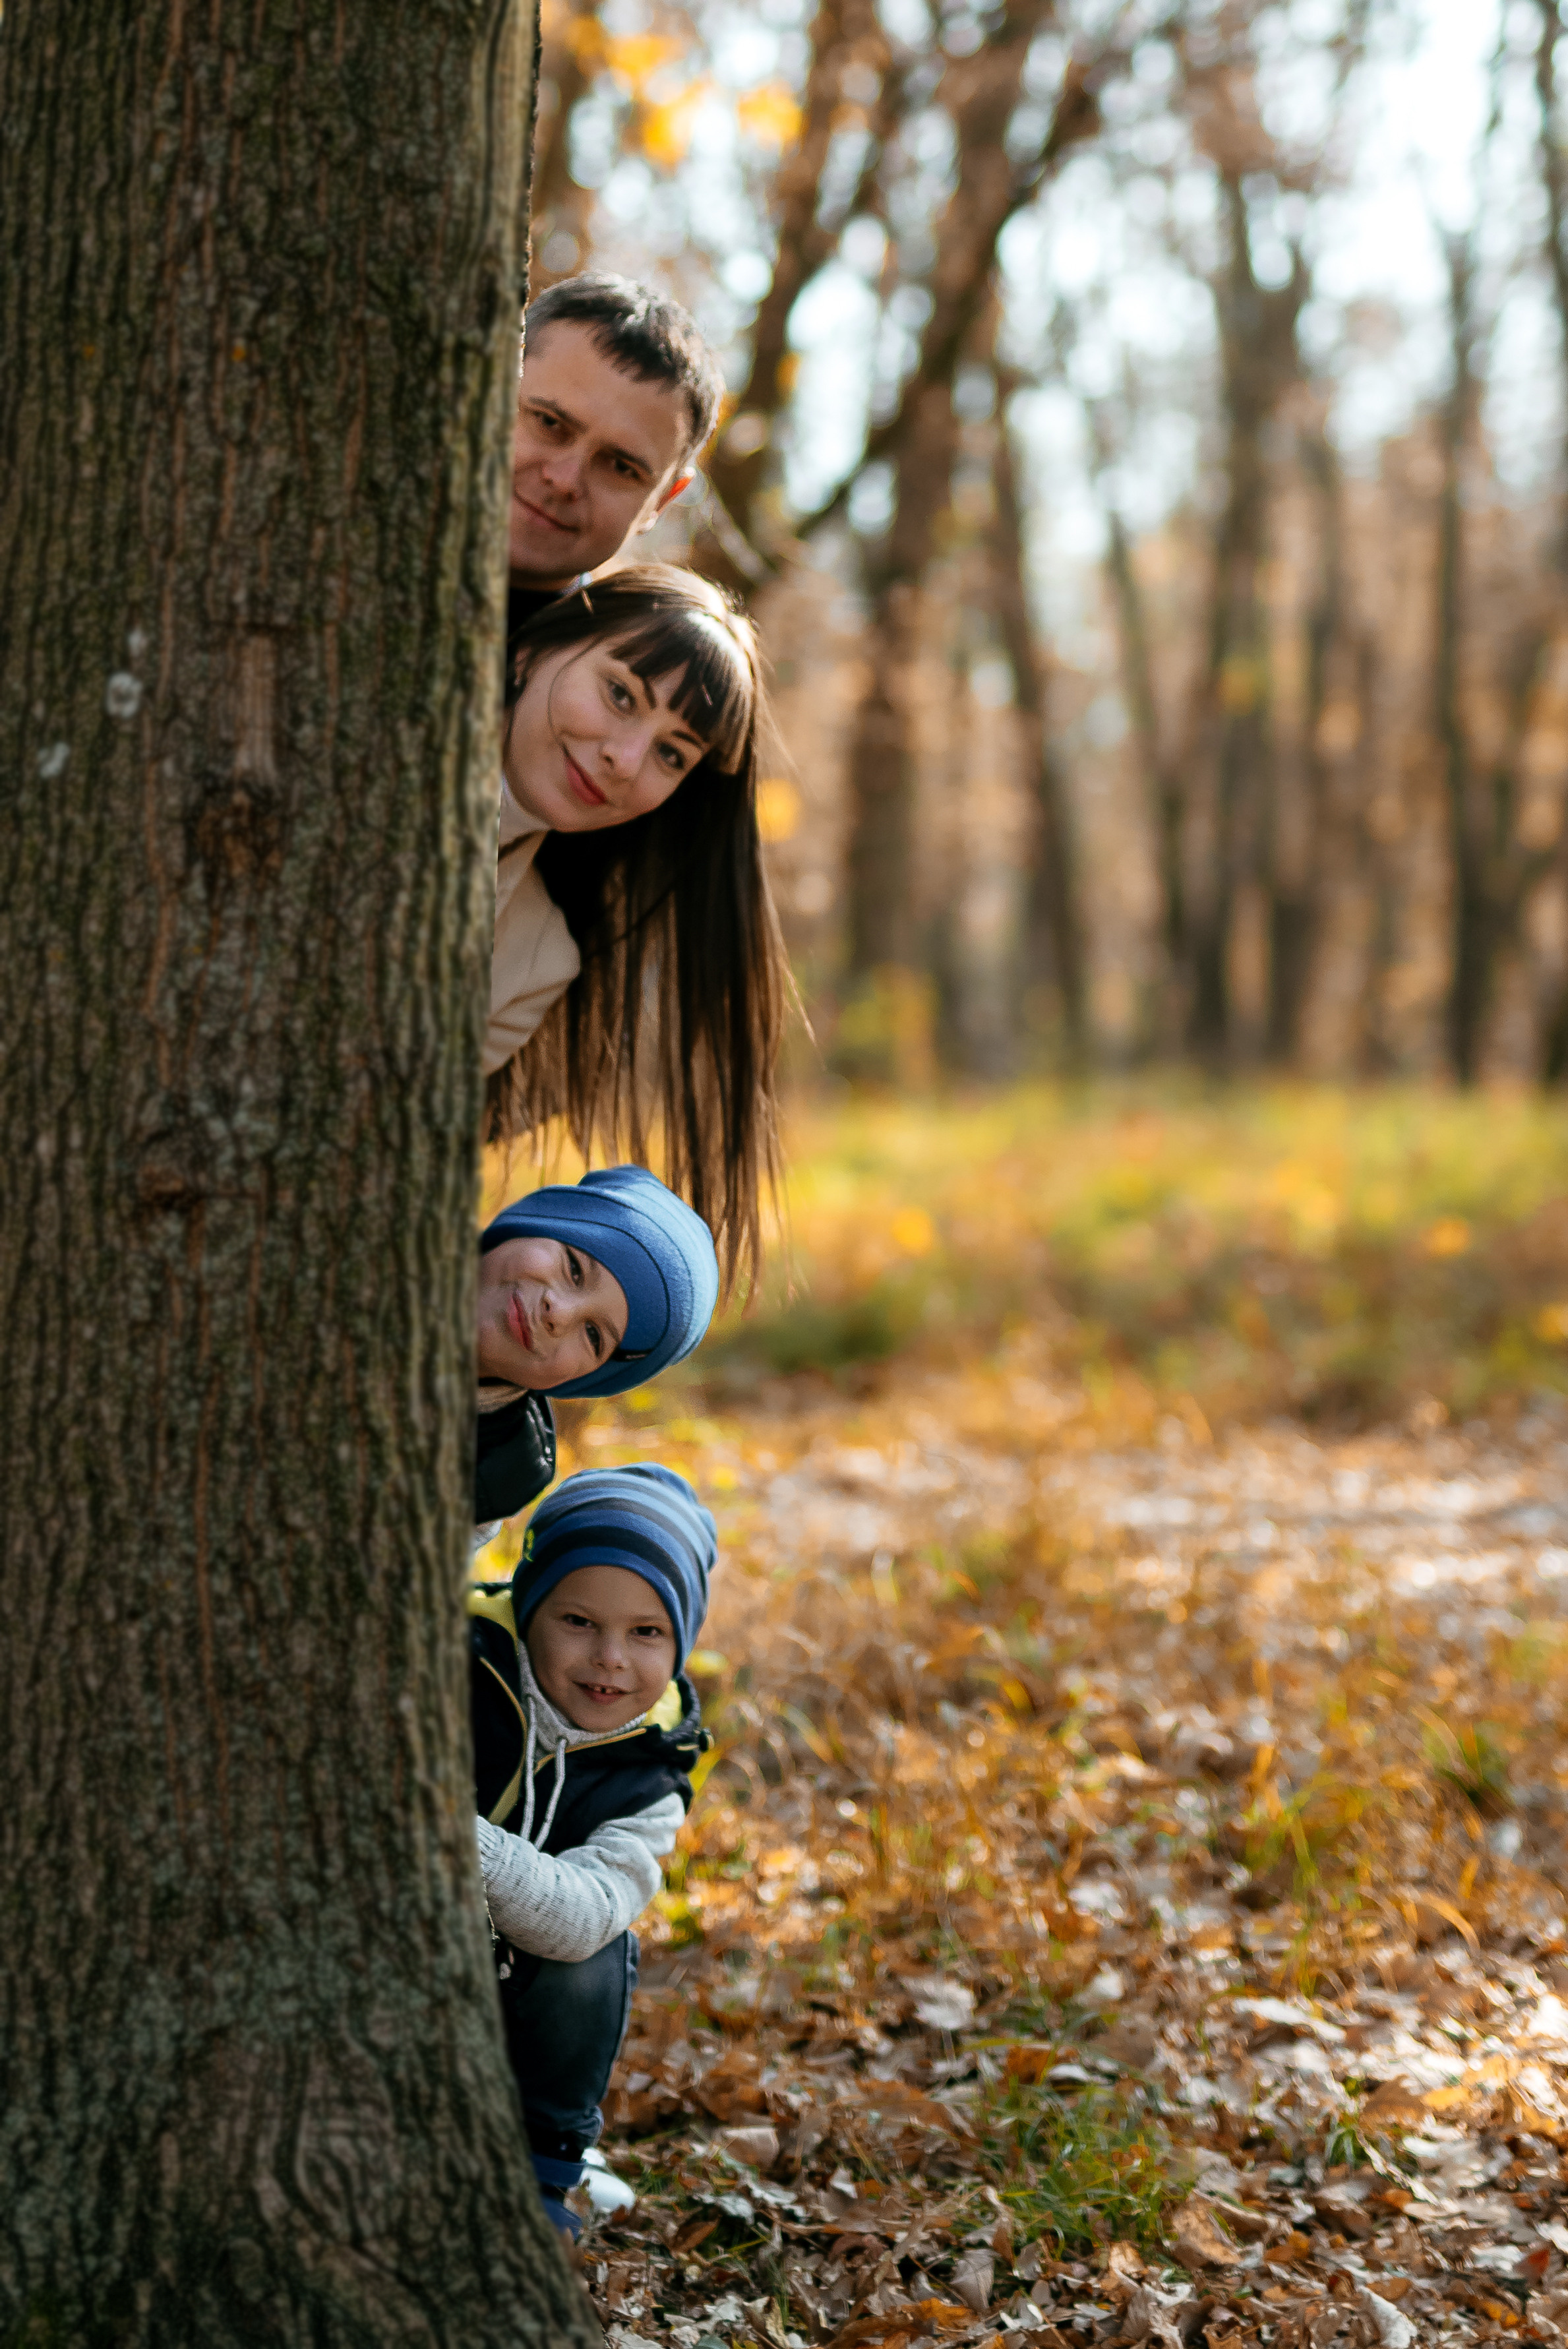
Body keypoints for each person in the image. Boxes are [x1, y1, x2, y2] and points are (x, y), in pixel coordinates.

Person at [486, 566, 787, 1293]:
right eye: (620, 694)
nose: (623, 759)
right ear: (531, 650)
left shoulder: (536, 960)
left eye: (671, 754)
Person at [469, 1463, 717, 2237]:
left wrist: (445, 1834)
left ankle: (543, 2169)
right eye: (578, 1620)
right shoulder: (460, 1663)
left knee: (598, 1952)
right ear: (530, 1605)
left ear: (680, 1642)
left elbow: (585, 1917)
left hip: (522, 1992)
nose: (610, 1656)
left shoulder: (652, 1769)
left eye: (646, 1632)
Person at [473, 1164, 719, 1539]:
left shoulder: (498, 1469)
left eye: (593, 1336)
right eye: (574, 1269)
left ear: (590, 1380)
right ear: (535, 1224)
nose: (560, 1313)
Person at [508, 274, 726, 642]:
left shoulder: (598, 692)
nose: (564, 481)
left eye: (621, 467)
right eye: (549, 423)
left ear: (661, 501)